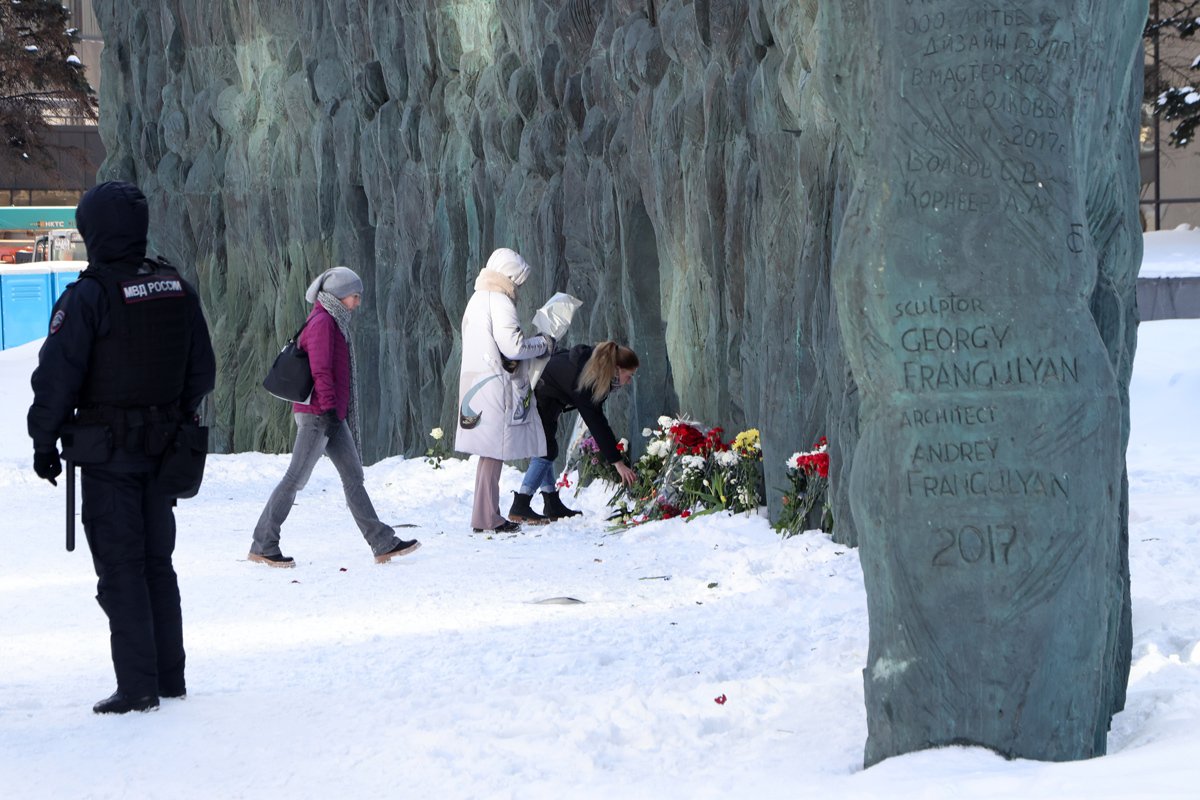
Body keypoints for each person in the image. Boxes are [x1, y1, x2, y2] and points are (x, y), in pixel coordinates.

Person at [27, 180, 217, 714]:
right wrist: (173, 415)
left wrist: (44, 441)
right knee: (158, 561)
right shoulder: (175, 286)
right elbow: (202, 370)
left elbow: (57, 379)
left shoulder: (89, 296)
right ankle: (169, 677)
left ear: (93, 229)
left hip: (109, 456)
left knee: (122, 567)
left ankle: (137, 687)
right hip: (164, 451)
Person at [249, 267, 420, 567]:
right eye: (355, 296)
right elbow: (322, 370)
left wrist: (333, 412)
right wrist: (328, 409)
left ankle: (381, 542)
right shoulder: (322, 323)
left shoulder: (333, 321)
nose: (358, 303)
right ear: (341, 295)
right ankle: (263, 543)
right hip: (319, 414)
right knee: (295, 479)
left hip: (331, 414)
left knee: (354, 477)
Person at [455, 248, 554, 532]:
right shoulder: (499, 301)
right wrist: (542, 344)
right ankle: (487, 518)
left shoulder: (477, 299)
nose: (519, 286)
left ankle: (484, 515)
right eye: (518, 279)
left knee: (489, 454)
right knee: (493, 451)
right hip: (496, 385)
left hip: (477, 383)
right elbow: (513, 346)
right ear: (510, 275)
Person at [509, 342, 639, 522]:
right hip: (538, 396)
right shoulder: (588, 380)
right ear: (617, 369)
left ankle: (551, 503)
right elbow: (596, 423)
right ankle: (521, 504)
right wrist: (617, 462)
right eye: (629, 375)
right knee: (546, 450)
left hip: (546, 396)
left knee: (546, 448)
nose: (629, 380)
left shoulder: (592, 364)